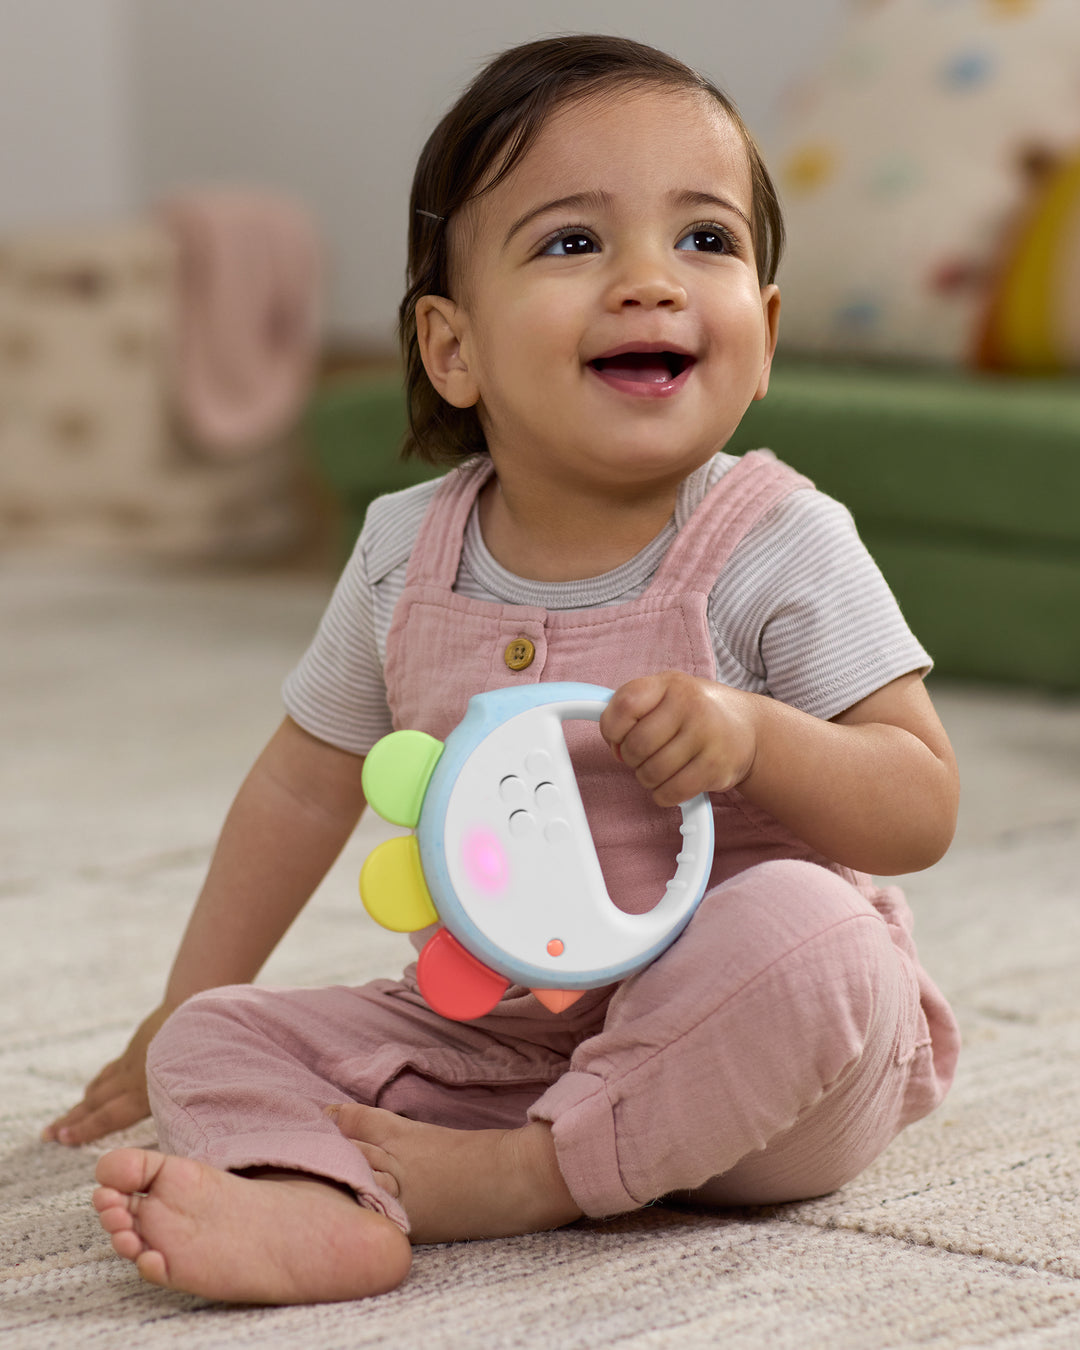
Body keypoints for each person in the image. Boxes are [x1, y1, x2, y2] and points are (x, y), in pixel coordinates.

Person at [44, 34, 961, 1306]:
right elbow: (304, 786)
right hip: (507, 1044)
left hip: (763, 1075)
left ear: (762, 334)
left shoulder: (777, 543)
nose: (651, 282)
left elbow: (921, 805)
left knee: (819, 937)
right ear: (451, 347)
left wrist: (759, 738)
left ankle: (530, 1179)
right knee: (213, 1038)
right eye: (573, 241)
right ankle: (326, 1205)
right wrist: (177, 1003)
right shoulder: (404, 553)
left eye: (704, 239)